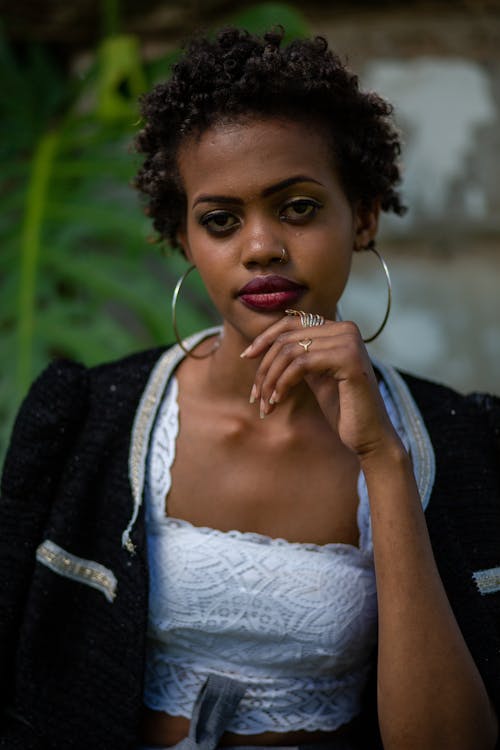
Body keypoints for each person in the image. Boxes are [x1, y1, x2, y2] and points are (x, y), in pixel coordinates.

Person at [0, 26, 499, 750]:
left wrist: (381, 461)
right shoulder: (86, 421)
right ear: (183, 238)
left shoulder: (459, 442)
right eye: (221, 221)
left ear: (361, 216)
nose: (260, 245)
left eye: (297, 207)